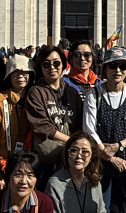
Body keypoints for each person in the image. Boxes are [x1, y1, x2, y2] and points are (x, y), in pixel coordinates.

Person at [83, 47, 126, 204]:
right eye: (112, 66)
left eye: (122, 66)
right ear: (105, 68)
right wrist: (110, 157)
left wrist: (118, 147)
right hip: (100, 163)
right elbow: (89, 130)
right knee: (101, 209)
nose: (117, 70)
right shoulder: (94, 95)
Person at [25, 45, 83, 188]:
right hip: (47, 160)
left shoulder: (71, 92)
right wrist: (71, 141)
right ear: (40, 67)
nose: (52, 67)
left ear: (63, 65)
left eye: (56, 63)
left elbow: (80, 122)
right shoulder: (35, 92)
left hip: (70, 158)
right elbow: (41, 126)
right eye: (46, 64)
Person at [0, 54, 34, 192]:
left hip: (28, 166)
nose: (20, 76)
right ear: (9, 76)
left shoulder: (34, 99)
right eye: (15, 72)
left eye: (24, 72)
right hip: (4, 165)